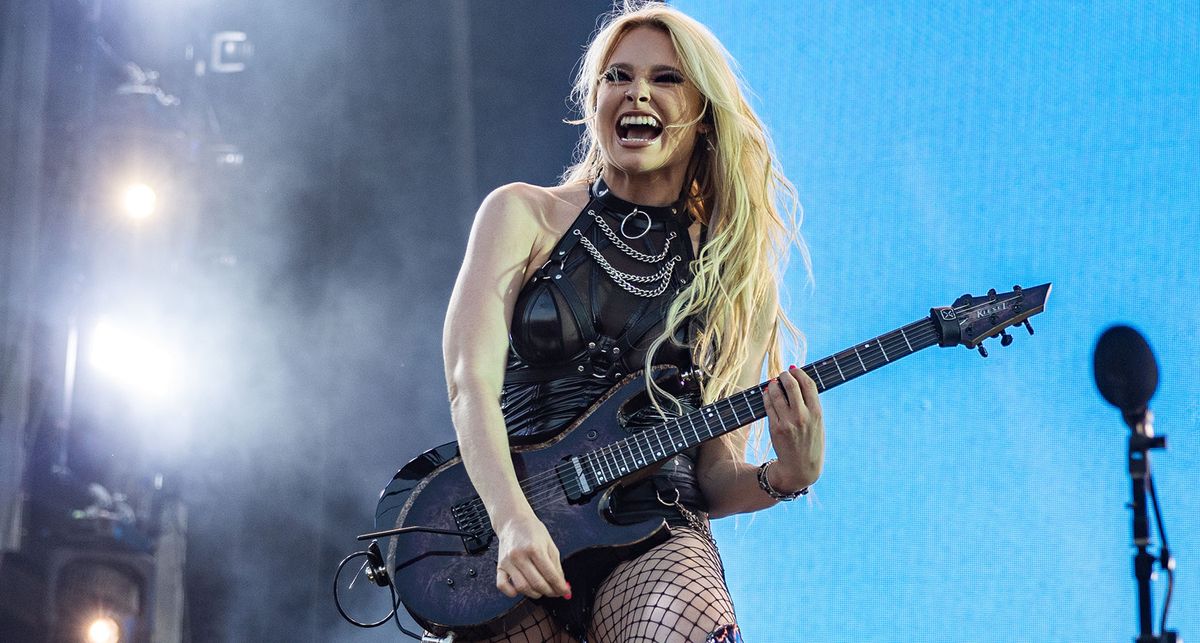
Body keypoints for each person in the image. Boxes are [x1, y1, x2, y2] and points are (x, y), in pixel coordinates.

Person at [442, 2, 824, 641]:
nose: (637, 91)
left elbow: (716, 471)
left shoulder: (728, 272)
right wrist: (509, 517)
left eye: (666, 79)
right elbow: (467, 382)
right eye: (618, 76)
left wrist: (784, 477)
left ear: (703, 114)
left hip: (656, 534)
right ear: (594, 101)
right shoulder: (520, 215)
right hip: (520, 524)